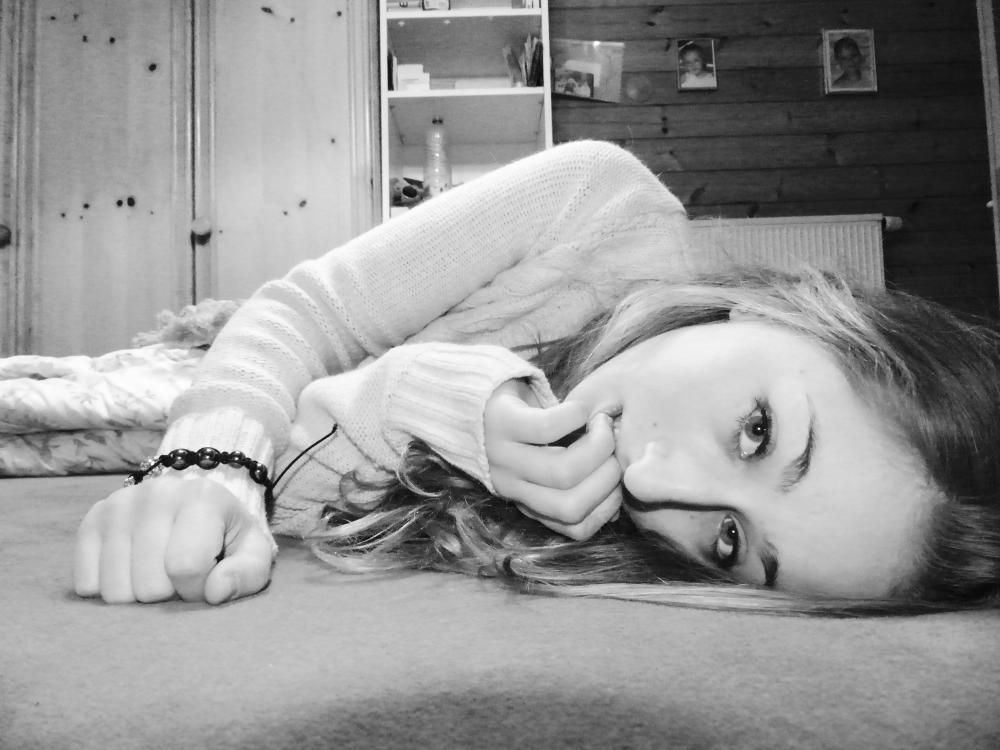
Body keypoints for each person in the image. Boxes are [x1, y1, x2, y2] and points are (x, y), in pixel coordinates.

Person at [73, 140, 1000, 614]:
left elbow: (304, 500)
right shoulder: (598, 201)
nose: (654, 482)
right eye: (756, 432)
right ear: (785, 311)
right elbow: (304, 314)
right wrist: (208, 458)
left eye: (730, 542)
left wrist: (412, 407)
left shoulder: (599, 545)